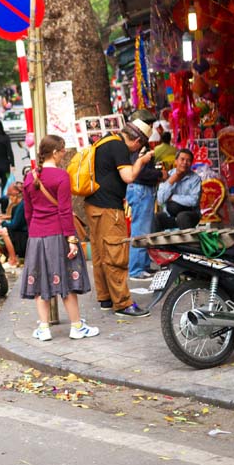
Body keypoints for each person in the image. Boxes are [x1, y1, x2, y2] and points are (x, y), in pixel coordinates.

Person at [21, 134, 99, 342]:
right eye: (63, 150)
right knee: (65, 280)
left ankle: (44, 328)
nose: (65, 153)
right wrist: (72, 240)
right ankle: (76, 326)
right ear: (55, 153)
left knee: (40, 282)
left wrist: (34, 233)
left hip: (37, 236)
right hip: (58, 235)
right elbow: (65, 211)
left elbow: (28, 212)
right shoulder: (62, 177)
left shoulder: (30, 177)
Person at [83, 119, 155, 318]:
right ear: (137, 141)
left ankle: (105, 297)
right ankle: (123, 304)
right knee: (115, 254)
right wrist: (142, 161)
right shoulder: (119, 146)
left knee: (99, 254)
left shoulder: (106, 140)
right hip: (108, 208)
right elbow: (129, 177)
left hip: (93, 205)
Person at [128, 146, 165, 280]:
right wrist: (159, 174)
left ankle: (143, 266)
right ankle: (136, 269)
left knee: (144, 230)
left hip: (143, 190)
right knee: (140, 230)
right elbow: (140, 173)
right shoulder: (139, 151)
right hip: (141, 190)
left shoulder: (137, 149)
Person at [156, 149, 202, 230]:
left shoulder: (195, 178)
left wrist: (173, 197)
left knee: (182, 217)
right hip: (171, 215)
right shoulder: (168, 175)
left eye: (188, 161)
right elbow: (160, 200)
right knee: (157, 217)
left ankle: (188, 243)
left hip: (190, 214)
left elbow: (194, 201)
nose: (185, 163)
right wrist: (172, 180)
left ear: (191, 164)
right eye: (182, 159)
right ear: (176, 161)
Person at [0, 181, 27, 268]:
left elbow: (14, 225)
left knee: (3, 231)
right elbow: (17, 218)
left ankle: (12, 259)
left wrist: (2, 222)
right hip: (23, 235)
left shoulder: (22, 205)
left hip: (23, 239)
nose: (10, 199)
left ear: (15, 195)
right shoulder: (22, 204)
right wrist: (5, 217)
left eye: (10, 196)